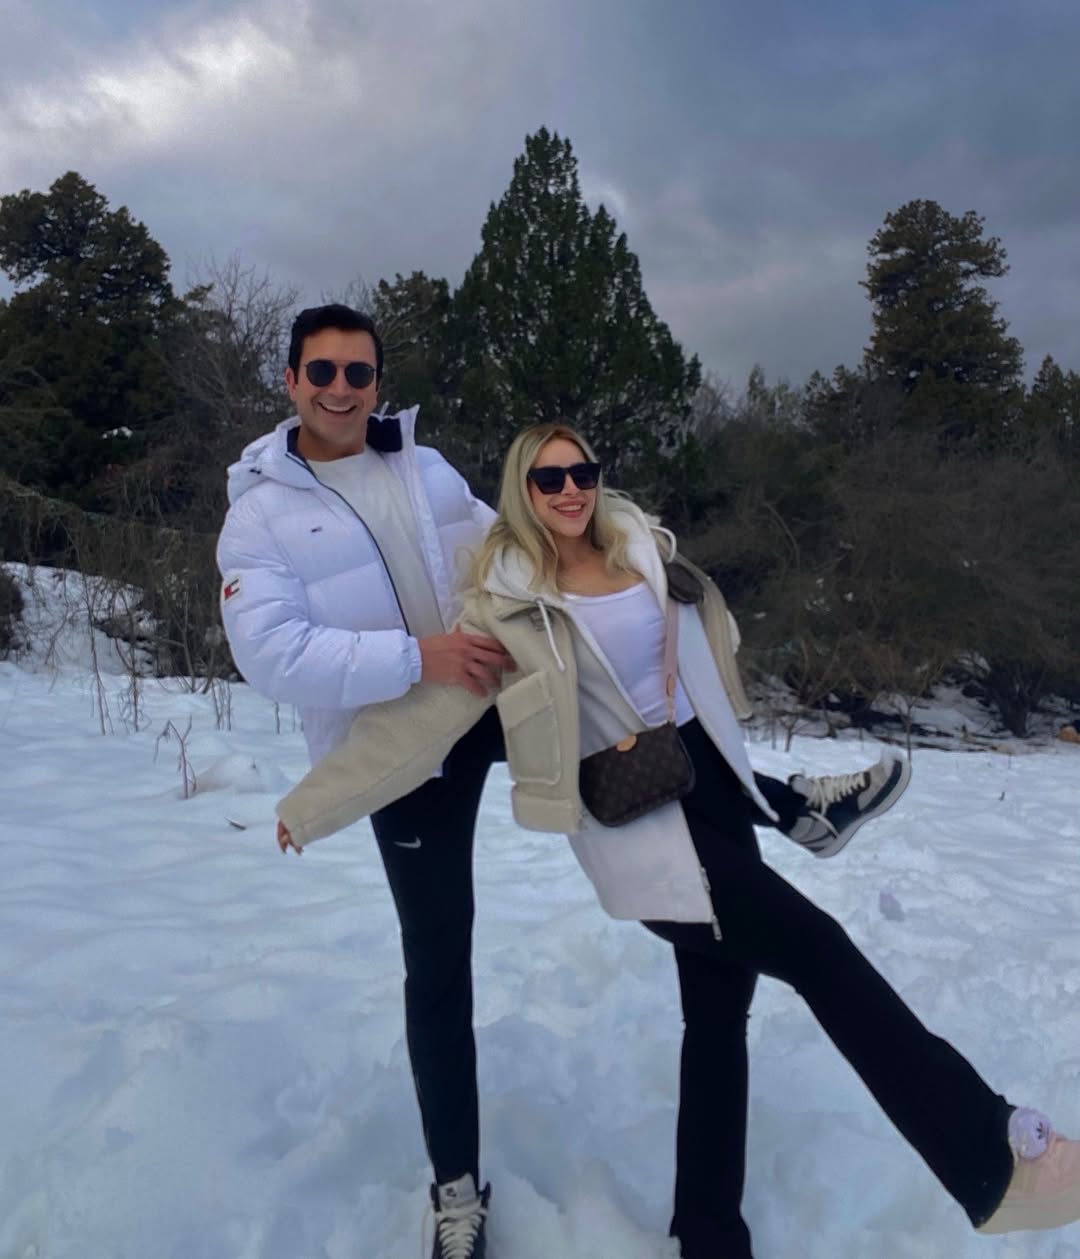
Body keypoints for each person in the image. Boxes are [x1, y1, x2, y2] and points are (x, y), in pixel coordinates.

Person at [275, 421, 1080, 1258]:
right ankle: (992, 1161)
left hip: (711, 780)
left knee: (719, 1015)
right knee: (820, 950)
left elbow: (702, 661)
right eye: (548, 479)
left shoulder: (642, 549)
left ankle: (709, 1231)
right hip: (640, 817)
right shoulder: (509, 603)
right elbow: (420, 724)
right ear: (522, 491)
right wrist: (313, 804)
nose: (570, 490)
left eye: (582, 472)